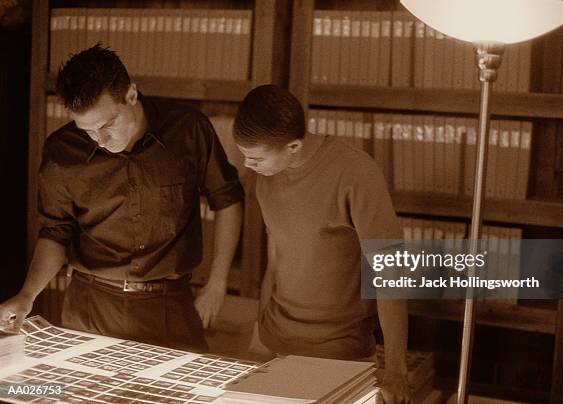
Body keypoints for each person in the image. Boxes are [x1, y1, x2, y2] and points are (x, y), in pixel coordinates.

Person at [0, 45, 243, 352]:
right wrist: (27, 294)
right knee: (78, 399)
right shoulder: (62, 152)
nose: (101, 141)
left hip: (170, 303)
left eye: (108, 125)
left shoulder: (189, 130)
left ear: (131, 95)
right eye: (88, 131)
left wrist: (218, 282)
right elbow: (55, 232)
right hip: (90, 305)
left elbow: (227, 198)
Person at [233, 85, 410, 403]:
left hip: (340, 354)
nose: (248, 166)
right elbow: (277, 257)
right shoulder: (266, 176)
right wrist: (260, 328)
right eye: (245, 155)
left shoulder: (357, 173)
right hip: (275, 347)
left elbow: (392, 275)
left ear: (294, 145)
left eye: (256, 157)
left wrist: (396, 371)